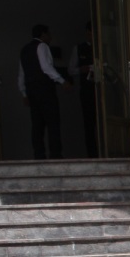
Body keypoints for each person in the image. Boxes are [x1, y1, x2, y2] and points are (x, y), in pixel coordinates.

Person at [17, 23, 72, 160]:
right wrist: (62, 80)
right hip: (44, 88)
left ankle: (39, 155)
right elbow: (46, 67)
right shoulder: (42, 46)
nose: (50, 37)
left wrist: (24, 93)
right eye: (48, 34)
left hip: (31, 90)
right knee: (53, 122)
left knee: (37, 124)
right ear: (43, 34)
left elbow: (21, 74)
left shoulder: (24, 50)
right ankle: (55, 155)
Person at [72, 22, 99, 158]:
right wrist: (82, 69)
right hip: (87, 90)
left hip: (103, 91)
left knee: (102, 121)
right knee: (89, 123)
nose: (90, 36)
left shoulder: (103, 46)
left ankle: (104, 150)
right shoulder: (79, 48)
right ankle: (92, 154)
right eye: (88, 33)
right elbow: (71, 70)